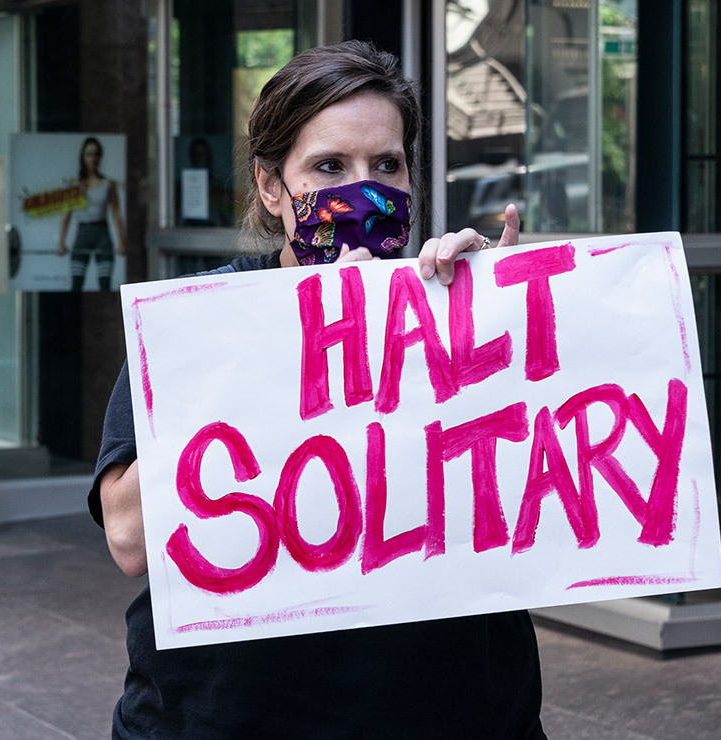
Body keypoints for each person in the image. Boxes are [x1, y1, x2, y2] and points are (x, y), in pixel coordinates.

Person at [90, 41, 545, 739]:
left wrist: (502, 320)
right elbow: (130, 537)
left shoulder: (455, 305)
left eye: (385, 165)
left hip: (451, 712)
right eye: (329, 166)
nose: (363, 187)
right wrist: (295, 341)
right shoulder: (202, 318)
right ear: (273, 187)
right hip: (230, 718)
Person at [57, 136, 126, 291]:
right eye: (89, 154)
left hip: (102, 234)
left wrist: (122, 242)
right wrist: (61, 242)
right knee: (76, 285)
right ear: (83, 156)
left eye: (96, 154)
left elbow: (116, 213)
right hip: (82, 234)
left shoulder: (109, 184)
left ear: (100, 157)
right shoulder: (75, 184)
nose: (93, 158)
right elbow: (66, 214)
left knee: (105, 285)